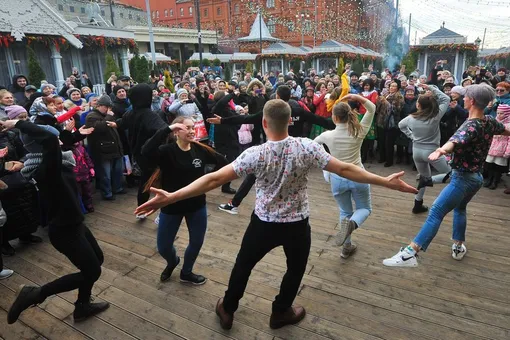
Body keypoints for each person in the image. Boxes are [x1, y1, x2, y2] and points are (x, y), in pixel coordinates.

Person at [135, 99, 416, 330]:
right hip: (297, 224)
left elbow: (213, 180)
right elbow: (344, 168)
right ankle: (280, 312)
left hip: (263, 223)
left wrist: (172, 196)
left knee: (243, 265)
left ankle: (228, 308)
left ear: (264, 123)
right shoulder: (307, 147)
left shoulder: (255, 154)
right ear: (290, 121)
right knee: (294, 270)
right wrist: (385, 181)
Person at [383, 84, 510, 267]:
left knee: (436, 212)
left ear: (472, 101)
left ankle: (409, 254)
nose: (462, 99)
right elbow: (505, 130)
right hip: (476, 178)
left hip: (462, 179)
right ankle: (458, 246)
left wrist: (441, 150)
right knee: (459, 209)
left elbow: (456, 141)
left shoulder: (470, 126)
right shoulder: (489, 121)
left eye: (465, 97)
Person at [5, 119, 109, 324]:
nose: (61, 140)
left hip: (74, 223)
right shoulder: (47, 168)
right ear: (43, 145)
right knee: (92, 270)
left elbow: (56, 139)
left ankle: (82, 306)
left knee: (97, 260)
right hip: (64, 230)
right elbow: (51, 139)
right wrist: (18, 122)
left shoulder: (56, 161)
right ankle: (35, 294)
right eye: (57, 139)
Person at [212, 85, 335, 215]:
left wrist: (223, 121)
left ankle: (234, 204)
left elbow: (247, 118)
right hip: (295, 153)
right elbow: (320, 121)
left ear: (277, 96)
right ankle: (288, 210)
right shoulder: (298, 111)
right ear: (290, 96)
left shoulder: (270, 112)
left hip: (271, 153)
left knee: (252, 176)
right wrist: (342, 122)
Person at [141, 116, 227, 284]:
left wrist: (208, 181)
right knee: (164, 247)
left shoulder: (200, 150)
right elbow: (146, 151)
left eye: (193, 127)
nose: (192, 130)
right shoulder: (166, 151)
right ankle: (173, 262)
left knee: (196, 242)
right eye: (187, 127)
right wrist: (167, 128)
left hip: (196, 205)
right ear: (176, 131)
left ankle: (186, 272)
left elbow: (223, 163)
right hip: (171, 205)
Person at [314, 94, 376, 258]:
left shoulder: (327, 135)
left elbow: (314, 146)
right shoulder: (359, 131)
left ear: (334, 117)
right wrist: (357, 97)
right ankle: (353, 225)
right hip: (358, 175)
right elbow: (372, 108)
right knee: (364, 208)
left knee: (344, 211)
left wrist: (326, 164)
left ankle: (346, 246)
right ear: (349, 114)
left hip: (337, 178)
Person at [398, 84, 452, 214]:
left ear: (418, 105)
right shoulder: (435, 117)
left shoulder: (411, 118)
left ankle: (418, 204)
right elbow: (446, 99)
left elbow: (401, 125)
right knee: (452, 176)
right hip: (432, 152)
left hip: (417, 151)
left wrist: (412, 136)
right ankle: (430, 182)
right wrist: (431, 88)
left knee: (423, 176)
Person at [117, 84, 168, 212]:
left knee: (146, 181)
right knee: (161, 180)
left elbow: (122, 124)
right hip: (152, 153)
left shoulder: (131, 112)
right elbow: (163, 129)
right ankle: (163, 209)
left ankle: (142, 208)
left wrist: (113, 123)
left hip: (138, 153)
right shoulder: (149, 114)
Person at [85, 95, 124, 200]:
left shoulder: (106, 115)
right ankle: (107, 193)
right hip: (102, 151)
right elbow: (100, 128)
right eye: (106, 107)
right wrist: (109, 116)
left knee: (117, 171)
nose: (108, 109)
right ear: (100, 106)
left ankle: (117, 188)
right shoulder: (91, 116)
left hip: (113, 148)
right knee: (105, 174)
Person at [484, 104, 510, 190]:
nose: (499, 115)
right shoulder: (494, 121)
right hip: (492, 147)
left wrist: (507, 151)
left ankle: (495, 181)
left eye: (501, 113)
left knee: (498, 166)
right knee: (490, 164)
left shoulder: (508, 125)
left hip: (502, 148)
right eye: (498, 113)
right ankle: (489, 179)